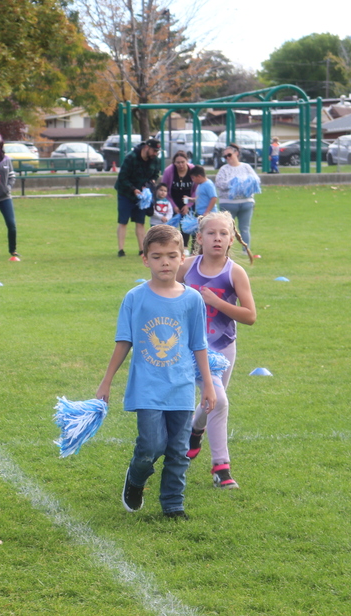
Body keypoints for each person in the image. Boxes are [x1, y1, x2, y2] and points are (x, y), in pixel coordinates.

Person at [96, 224, 216, 520]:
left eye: (172, 255)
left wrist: (208, 386)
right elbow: (124, 341)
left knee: (178, 450)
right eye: (157, 256)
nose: (165, 262)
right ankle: (136, 478)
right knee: (151, 445)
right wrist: (106, 381)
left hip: (181, 387)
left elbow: (199, 345)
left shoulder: (192, 299)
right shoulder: (135, 298)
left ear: (182, 257)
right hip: (147, 387)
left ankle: (173, 504)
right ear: (145, 259)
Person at [178, 212, 256, 490]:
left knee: (211, 401)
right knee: (219, 402)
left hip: (224, 348)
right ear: (199, 238)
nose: (217, 238)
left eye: (224, 233)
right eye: (211, 233)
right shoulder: (186, 267)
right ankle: (221, 468)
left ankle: (194, 430)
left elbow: (249, 316)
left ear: (232, 238)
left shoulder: (235, 272)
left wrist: (215, 301)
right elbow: (162, 290)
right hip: (192, 348)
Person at [114, 137, 161, 257]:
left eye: (157, 152)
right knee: (123, 221)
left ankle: (142, 250)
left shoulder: (154, 160)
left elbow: (156, 174)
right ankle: (121, 250)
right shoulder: (131, 157)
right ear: (146, 147)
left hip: (142, 195)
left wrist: (151, 182)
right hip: (125, 193)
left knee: (140, 221)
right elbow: (122, 178)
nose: (155, 154)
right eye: (154, 151)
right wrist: (133, 189)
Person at [214, 143, 260, 257]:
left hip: (246, 203)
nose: (227, 158)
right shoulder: (224, 169)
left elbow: (256, 181)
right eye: (225, 156)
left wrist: (244, 184)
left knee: (244, 228)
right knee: (227, 228)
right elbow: (219, 183)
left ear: (236, 153)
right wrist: (233, 183)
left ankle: (246, 250)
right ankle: (226, 251)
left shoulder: (246, 167)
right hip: (229, 204)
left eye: (229, 155)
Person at [161, 151, 195, 250]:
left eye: (183, 162)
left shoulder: (192, 170)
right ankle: (171, 247)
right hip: (173, 201)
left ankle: (185, 248)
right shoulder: (169, 171)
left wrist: (188, 205)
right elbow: (164, 189)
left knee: (187, 226)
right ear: (174, 163)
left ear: (187, 161)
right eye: (177, 162)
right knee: (171, 227)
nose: (180, 165)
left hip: (189, 201)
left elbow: (197, 190)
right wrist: (173, 205)